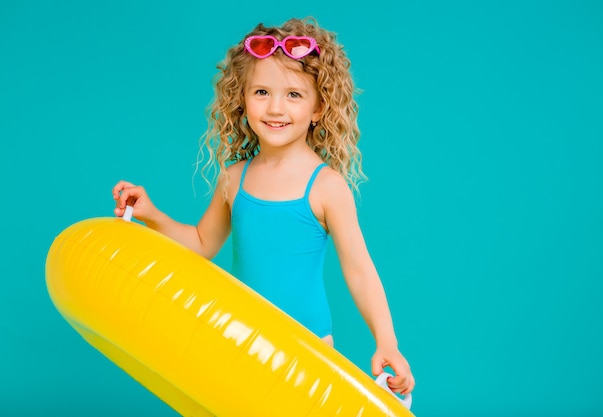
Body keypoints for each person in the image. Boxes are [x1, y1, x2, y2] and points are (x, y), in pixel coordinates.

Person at [113, 17, 415, 395]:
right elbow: (202, 244)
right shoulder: (233, 178)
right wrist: (151, 215)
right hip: (239, 342)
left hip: (307, 352)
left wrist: (387, 342)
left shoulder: (326, 187)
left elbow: (359, 270)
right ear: (242, 99)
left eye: (293, 95)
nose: (275, 108)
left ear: (319, 108)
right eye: (261, 92)